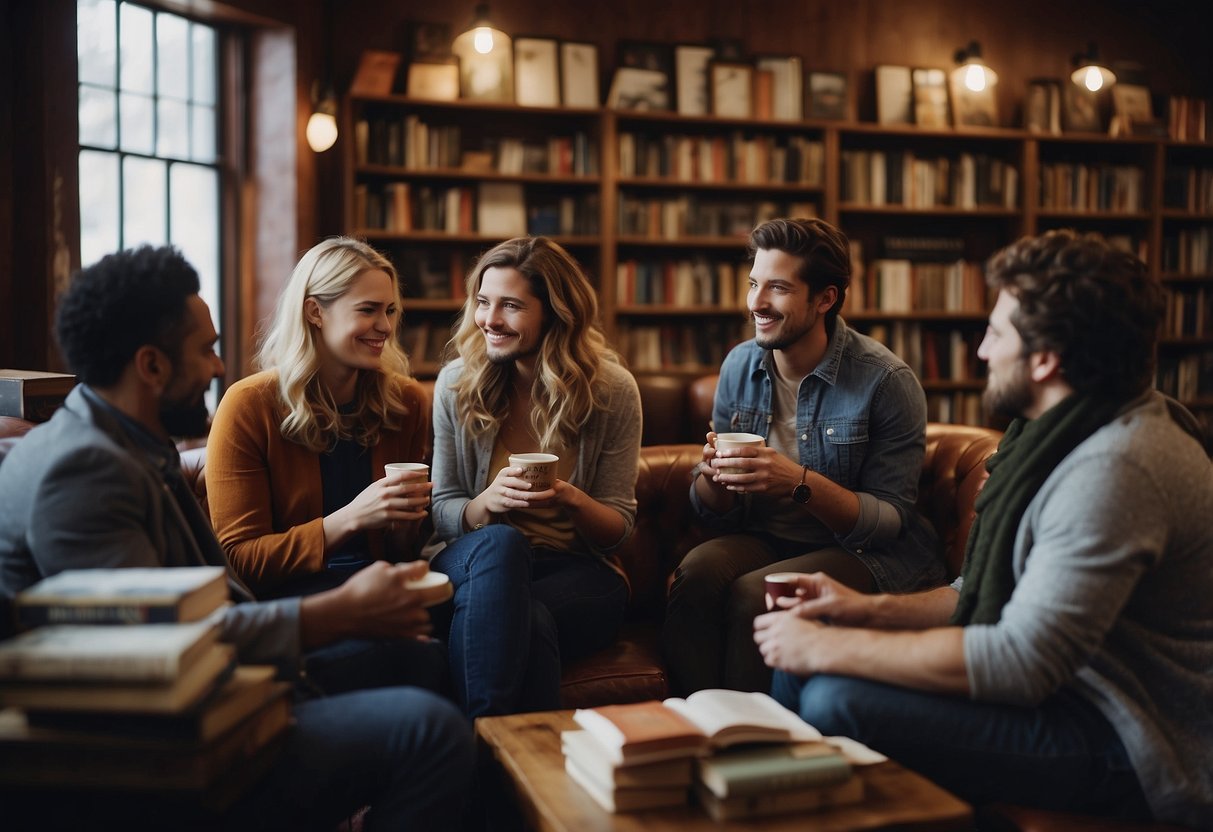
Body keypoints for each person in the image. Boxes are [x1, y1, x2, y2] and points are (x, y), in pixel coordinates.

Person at [0, 245, 474, 830]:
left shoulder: (123, 443)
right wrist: (339, 612)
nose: (220, 367)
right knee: (430, 731)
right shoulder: (82, 471)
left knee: (423, 680)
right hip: (150, 749)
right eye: (206, 350)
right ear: (151, 366)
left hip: (205, 691)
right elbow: (154, 640)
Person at [754, 230, 1213, 826]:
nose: (981, 352)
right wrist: (859, 611)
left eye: (997, 334)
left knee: (834, 692)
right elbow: (978, 591)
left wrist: (833, 645)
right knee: (804, 655)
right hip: (1068, 693)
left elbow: (1021, 661)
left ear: (1045, 359)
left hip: (1131, 735)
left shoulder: (1116, 467)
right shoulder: (1053, 438)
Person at [662, 217, 942, 695]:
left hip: (859, 552)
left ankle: (750, 739)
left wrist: (796, 481)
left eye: (777, 288)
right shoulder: (739, 365)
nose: (756, 302)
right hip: (766, 537)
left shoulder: (886, 381)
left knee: (761, 593)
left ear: (824, 299)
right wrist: (712, 477)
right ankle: (698, 718)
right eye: (753, 283)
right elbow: (715, 513)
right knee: (697, 573)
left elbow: (889, 520)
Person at [204, 236, 448, 697]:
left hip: (381, 585)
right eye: (368, 310)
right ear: (316, 311)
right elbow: (240, 561)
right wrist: (351, 517)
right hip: (295, 603)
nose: (384, 327)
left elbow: (402, 552)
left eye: (391, 311)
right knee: (422, 658)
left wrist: (404, 523)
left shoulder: (406, 403)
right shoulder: (249, 405)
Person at [425, 236, 641, 717]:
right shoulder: (456, 385)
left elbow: (618, 530)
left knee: (528, 619)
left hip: (576, 569)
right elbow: (442, 513)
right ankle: (515, 772)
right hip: (477, 563)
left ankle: (484, 760)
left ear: (556, 314)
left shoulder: (612, 390)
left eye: (511, 306)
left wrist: (570, 499)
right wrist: (488, 503)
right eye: (483, 302)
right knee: (504, 549)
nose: (489, 319)